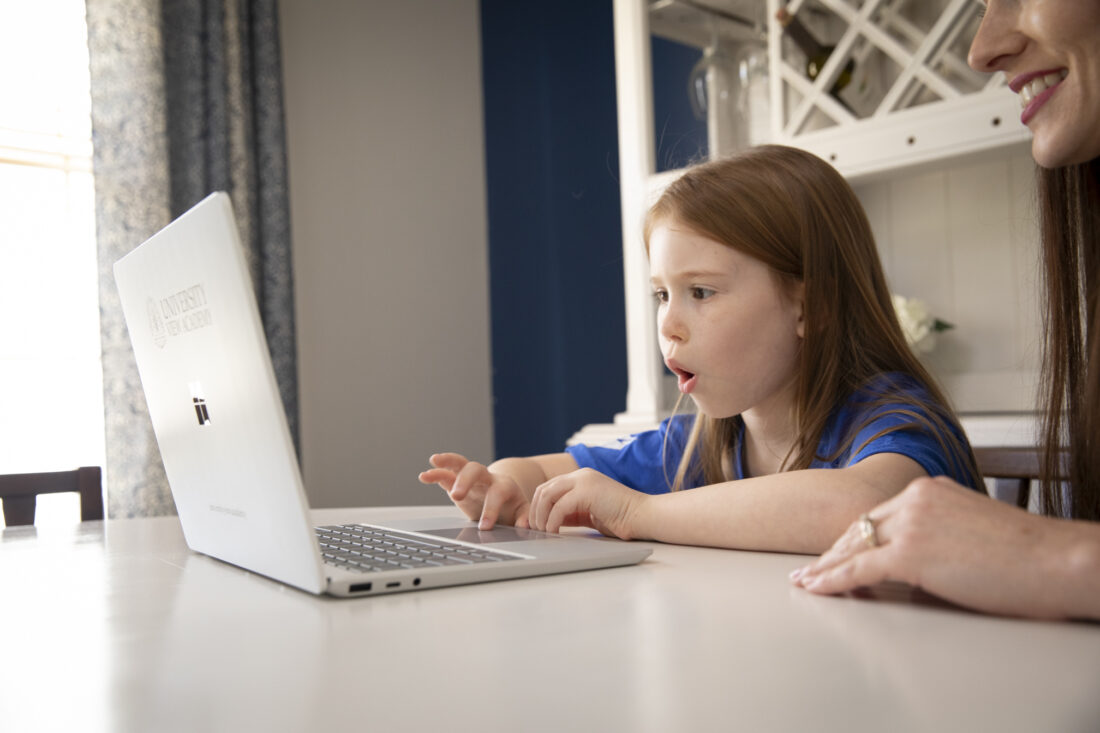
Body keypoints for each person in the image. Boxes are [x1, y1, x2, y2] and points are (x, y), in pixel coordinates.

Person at [420, 144, 980, 554]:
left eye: (701, 292)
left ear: (811, 307)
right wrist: (506, 486)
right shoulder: (699, 446)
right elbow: (545, 472)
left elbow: (864, 509)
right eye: (662, 294)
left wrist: (639, 511)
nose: (669, 322)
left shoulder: (892, 421)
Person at [792, 0, 1100, 620]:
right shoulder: (704, 435)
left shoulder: (890, 416)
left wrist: (1054, 555)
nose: (981, 49)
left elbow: (858, 499)